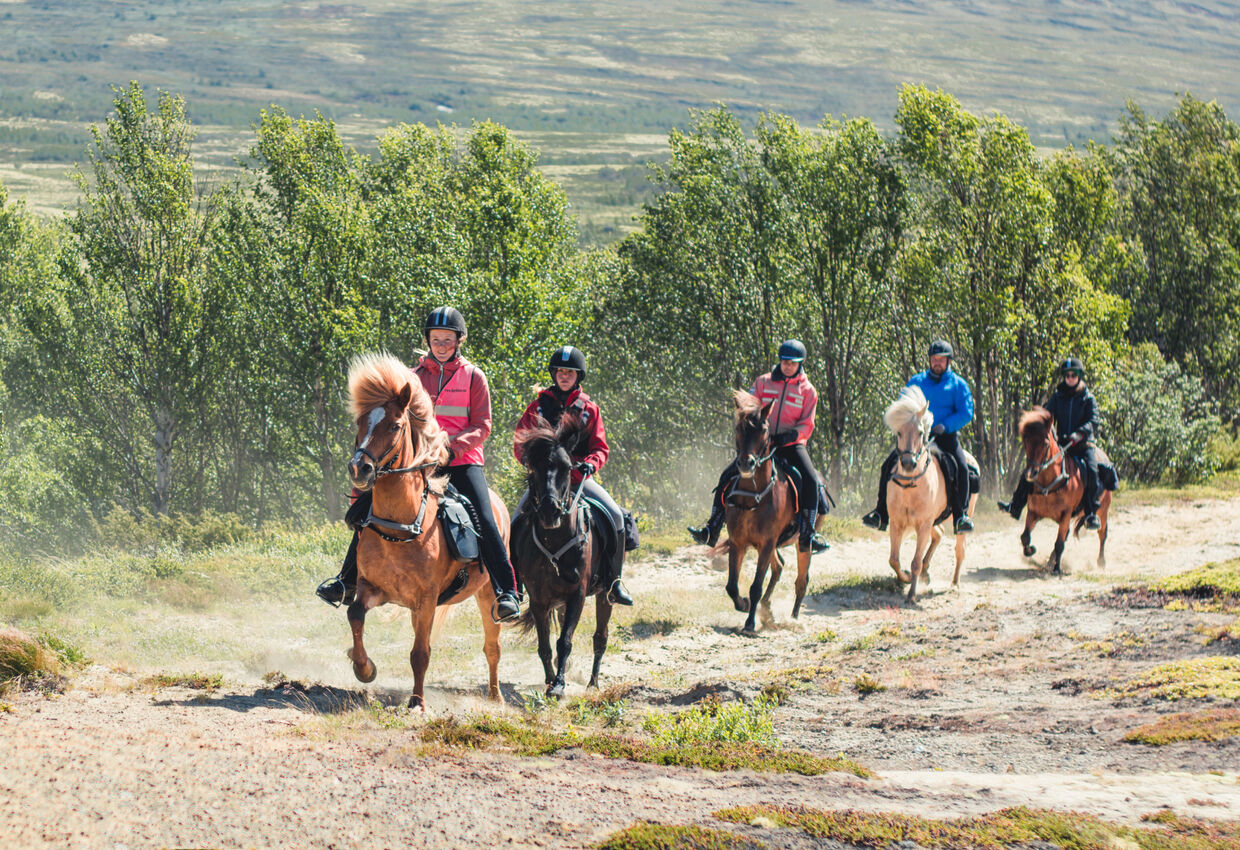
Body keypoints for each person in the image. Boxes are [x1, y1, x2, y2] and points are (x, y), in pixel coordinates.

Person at [316, 306, 522, 623]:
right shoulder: (411, 378)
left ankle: (507, 591)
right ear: (428, 340)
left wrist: (451, 446)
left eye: (447, 340)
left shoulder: (473, 377)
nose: (441, 345)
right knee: (366, 508)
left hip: (461, 462)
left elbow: (483, 426)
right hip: (419, 463)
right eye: (436, 339)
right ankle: (345, 581)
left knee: (484, 516)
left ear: (459, 341)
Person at [513, 345, 635, 606]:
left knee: (615, 516)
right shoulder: (538, 408)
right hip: (545, 483)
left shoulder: (590, 409)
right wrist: (528, 460)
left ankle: (614, 582)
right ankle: (514, 586)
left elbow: (600, 447)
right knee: (515, 522)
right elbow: (520, 441)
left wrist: (591, 464)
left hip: (578, 480)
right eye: (560, 371)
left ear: (578, 376)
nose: (564, 376)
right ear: (553, 374)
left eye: (570, 372)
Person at [687, 340, 830, 555]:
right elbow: (750, 407)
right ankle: (713, 527)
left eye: (792, 363)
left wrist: (792, 435)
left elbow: (808, 423)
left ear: (800, 364)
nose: (787, 366)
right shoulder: (764, 382)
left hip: (791, 444)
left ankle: (808, 533)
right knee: (727, 475)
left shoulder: (808, 391)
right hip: (761, 442)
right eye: (784, 362)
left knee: (810, 479)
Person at [862, 340, 975, 534]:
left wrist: (946, 425)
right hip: (914, 436)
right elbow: (902, 407)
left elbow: (966, 413)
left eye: (941, 359)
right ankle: (880, 513)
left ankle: (960, 516)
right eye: (934, 359)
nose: (937, 363)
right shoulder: (916, 382)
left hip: (944, 436)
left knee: (961, 467)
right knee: (888, 464)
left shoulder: (958, 385)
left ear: (949, 361)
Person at [998, 357, 1102, 529]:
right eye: (1067, 375)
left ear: (1079, 376)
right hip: (1062, 445)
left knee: (1092, 470)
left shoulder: (1088, 398)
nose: (1070, 378)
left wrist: (1080, 433)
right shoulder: (1058, 396)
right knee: (1031, 469)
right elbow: (1046, 415)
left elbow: (1094, 421)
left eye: (1073, 375)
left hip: (1083, 445)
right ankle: (1015, 505)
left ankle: (1091, 513)